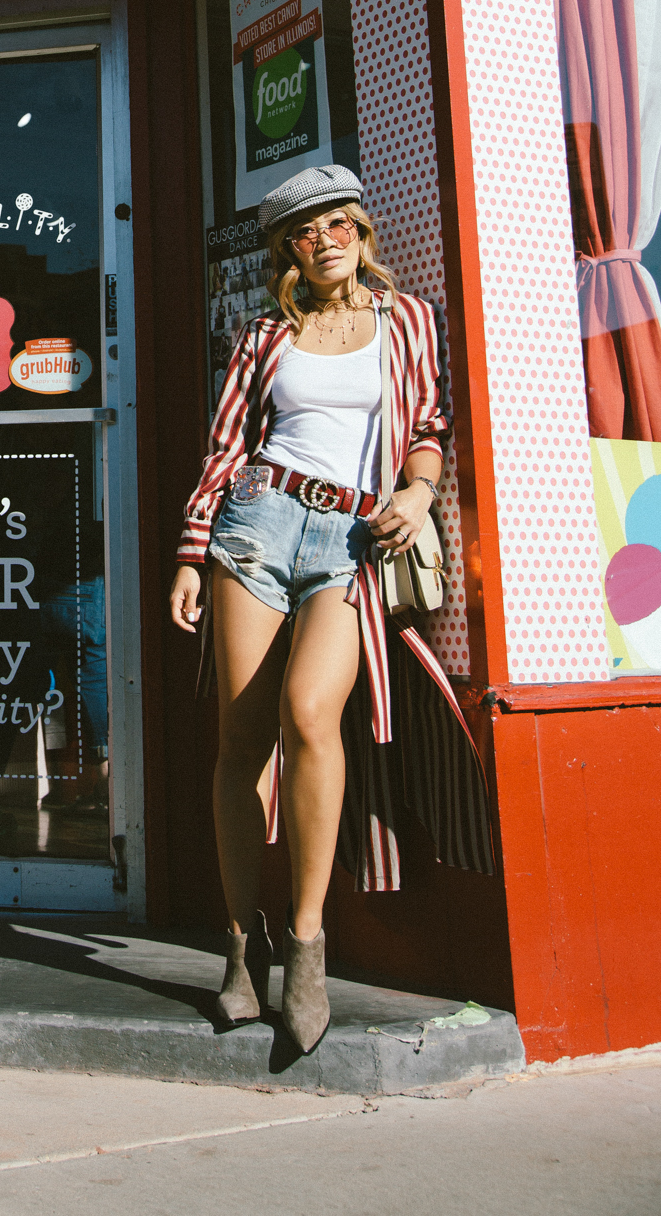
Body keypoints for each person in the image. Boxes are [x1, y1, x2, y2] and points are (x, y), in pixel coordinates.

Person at [169, 162, 492, 1054]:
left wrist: (420, 494)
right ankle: (242, 946)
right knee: (243, 740)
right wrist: (194, 552)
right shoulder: (264, 334)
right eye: (303, 233)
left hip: (352, 542)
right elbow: (226, 445)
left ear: (360, 231)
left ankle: (306, 941)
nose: (322, 242)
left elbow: (429, 427)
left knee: (312, 714)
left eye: (336, 225)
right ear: (287, 249)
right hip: (256, 531)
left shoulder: (410, 323)